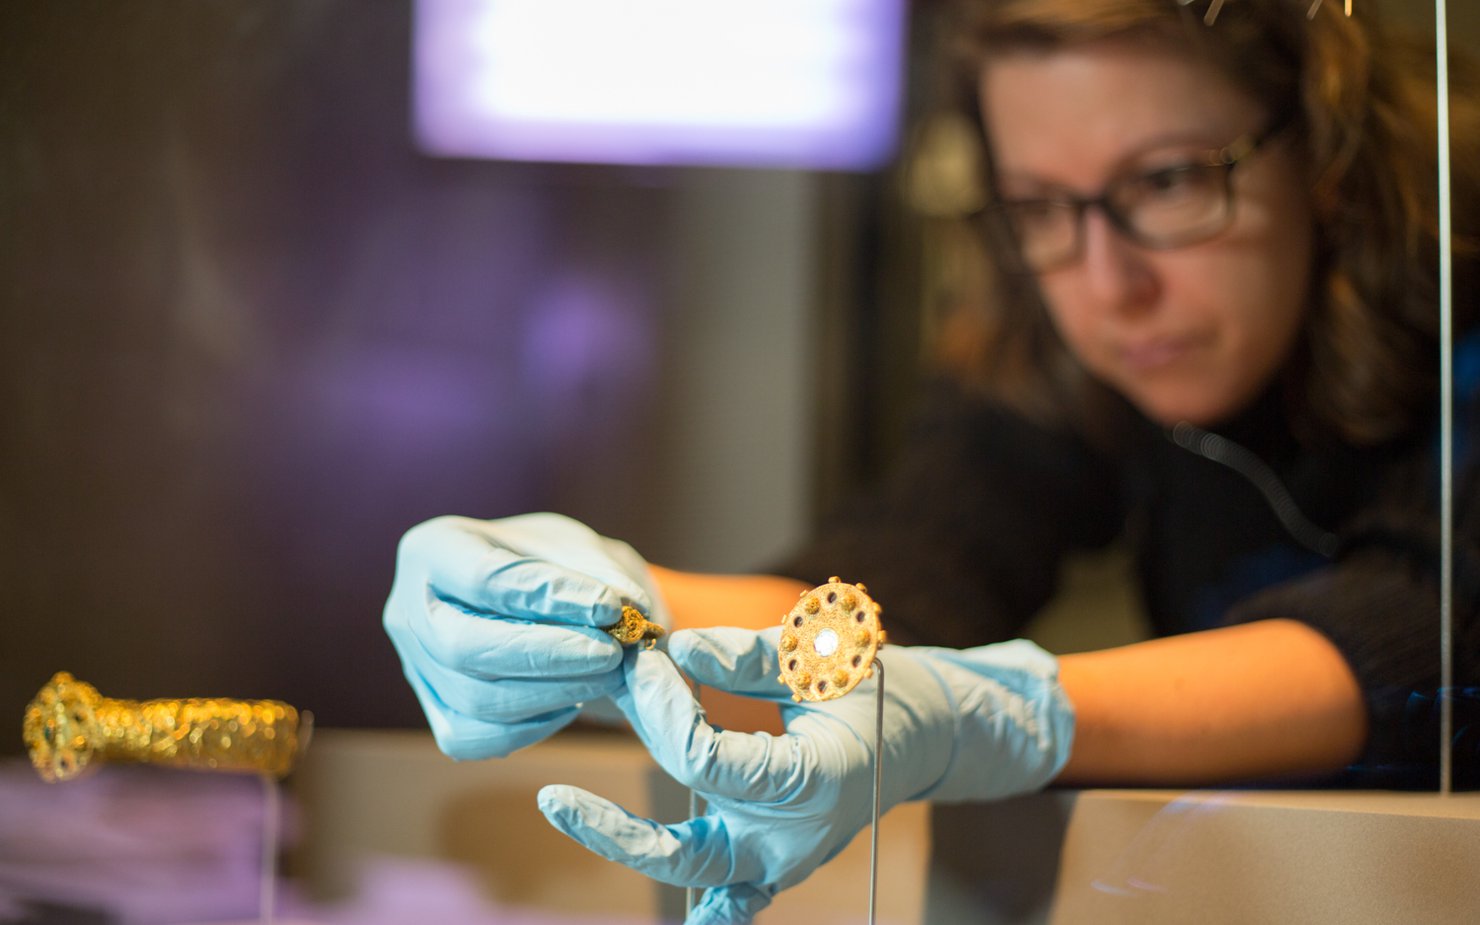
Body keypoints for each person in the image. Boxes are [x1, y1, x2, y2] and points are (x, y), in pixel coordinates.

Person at [383, 1, 1480, 922]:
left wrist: (996, 714)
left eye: (1169, 182)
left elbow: (1431, 621)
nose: (1110, 283)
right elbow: (897, 578)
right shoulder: (1056, 337)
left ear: (1325, 153)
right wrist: (615, 609)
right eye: (1042, 206)